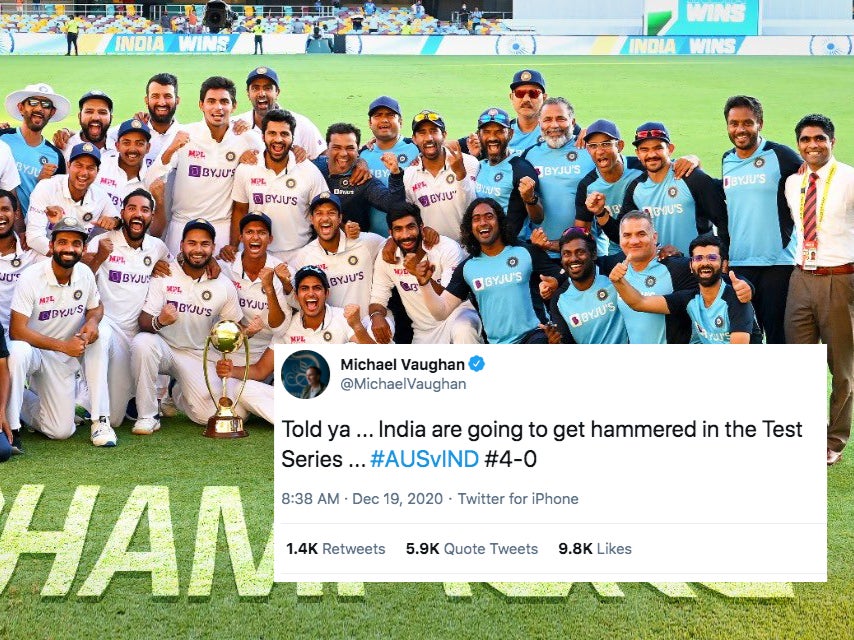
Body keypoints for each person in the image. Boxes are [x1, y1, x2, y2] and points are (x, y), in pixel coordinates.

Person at [131, 219, 250, 435]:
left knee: (207, 416)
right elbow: (144, 322)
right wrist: (161, 321)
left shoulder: (223, 284)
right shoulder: (165, 273)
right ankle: (147, 416)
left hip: (196, 354)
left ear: (213, 247)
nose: (198, 249)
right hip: (163, 347)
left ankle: (176, 391)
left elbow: (234, 327)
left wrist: (248, 331)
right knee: (142, 343)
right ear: (182, 245)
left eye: (205, 244)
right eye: (191, 243)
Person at [783, 113, 854, 467]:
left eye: (820, 139)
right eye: (806, 139)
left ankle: (834, 439)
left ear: (832, 141)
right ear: (798, 144)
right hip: (801, 278)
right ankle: (806, 432)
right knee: (800, 363)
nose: (813, 145)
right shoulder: (792, 183)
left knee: (841, 368)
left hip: (841, 279)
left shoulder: (850, 179)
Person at [7, 216, 114, 448]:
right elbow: (16, 330)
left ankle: (100, 422)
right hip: (35, 352)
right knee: (17, 351)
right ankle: (12, 427)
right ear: (52, 245)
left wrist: (93, 322)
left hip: (63, 359)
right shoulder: (31, 277)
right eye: (63, 242)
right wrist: (63, 346)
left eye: (76, 243)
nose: (69, 248)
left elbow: (96, 307)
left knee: (61, 430)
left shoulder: (84, 273)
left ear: (83, 248)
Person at [407, 197, 561, 344]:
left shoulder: (526, 252)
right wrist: (424, 284)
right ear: (470, 228)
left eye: (489, 216)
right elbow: (441, 312)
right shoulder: (467, 268)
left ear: (500, 222)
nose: (483, 222)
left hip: (534, 335)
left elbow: (564, 278)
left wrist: (554, 284)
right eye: (476, 219)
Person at [146, 76, 264, 255]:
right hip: (182, 226)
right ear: (201, 105)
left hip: (223, 230)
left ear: (234, 106)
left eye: (224, 101)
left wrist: (251, 161)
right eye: (211, 101)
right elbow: (151, 180)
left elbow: (270, 168)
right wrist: (170, 150)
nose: (218, 107)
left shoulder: (246, 137)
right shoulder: (184, 135)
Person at [83, 188, 170, 427]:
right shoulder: (103, 241)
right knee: (101, 335)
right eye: (132, 208)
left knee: (117, 419)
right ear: (122, 213)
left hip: (133, 336)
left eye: (144, 210)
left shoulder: (157, 247)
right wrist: (99, 257)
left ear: (151, 216)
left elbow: (176, 270)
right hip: (106, 324)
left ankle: (95, 407)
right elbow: (81, 282)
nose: (138, 215)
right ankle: (94, 417)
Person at [721, 95, 803, 344]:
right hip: (739, 264)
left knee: (779, 336)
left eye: (747, 123)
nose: (740, 129)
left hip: (777, 263)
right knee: (746, 337)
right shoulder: (727, 159)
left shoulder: (781, 155)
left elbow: (811, 181)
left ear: (760, 123)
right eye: (734, 123)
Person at [610, 233, 761, 344]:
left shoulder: (737, 298)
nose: (705, 263)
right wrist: (619, 282)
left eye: (712, 258)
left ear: (723, 265)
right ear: (690, 265)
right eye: (698, 258)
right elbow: (639, 302)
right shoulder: (689, 299)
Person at [371, 206, 482, 344]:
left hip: (457, 317)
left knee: (463, 330)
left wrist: (420, 274)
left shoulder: (447, 247)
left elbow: (449, 299)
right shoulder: (387, 257)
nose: (405, 235)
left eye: (411, 227)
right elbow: (377, 299)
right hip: (423, 332)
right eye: (398, 229)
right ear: (391, 234)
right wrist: (376, 316)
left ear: (421, 227)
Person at [228, 109, 327, 263]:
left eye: (284, 134)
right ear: (263, 136)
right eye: (272, 133)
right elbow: (240, 209)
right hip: (257, 253)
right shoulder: (247, 168)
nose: (278, 139)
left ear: (293, 138)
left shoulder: (309, 171)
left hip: (299, 254)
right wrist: (234, 246)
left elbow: (323, 212)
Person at [615, 122, 725, 256]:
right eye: (644, 149)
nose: (651, 154)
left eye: (658, 148)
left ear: (670, 149)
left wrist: (723, 256)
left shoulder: (692, 177)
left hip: (697, 269)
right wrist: (601, 213)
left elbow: (724, 221)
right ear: (637, 153)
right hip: (659, 270)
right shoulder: (636, 188)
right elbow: (620, 232)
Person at [292, 194, 386, 333]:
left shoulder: (365, 243)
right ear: (311, 219)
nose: (325, 218)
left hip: (366, 327)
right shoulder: (304, 256)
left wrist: (390, 245)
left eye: (331, 213)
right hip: (331, 333)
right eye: (319, 213)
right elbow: (296, 299)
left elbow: (394, 243)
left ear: (340, 218)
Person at [521, 97, 594, 257]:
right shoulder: (530, 155)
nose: (554, 125)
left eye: (561, 119)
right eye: (547, 120)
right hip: (542, 251)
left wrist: (595, 133)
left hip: (585, 252)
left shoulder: (590, 151)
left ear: (573, 122)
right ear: (539, 123)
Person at [218, 212, 290, 366]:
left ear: (270, 239)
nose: (255, 237)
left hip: (264, 350)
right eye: (249, 232)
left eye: (262, 232)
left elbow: (280, 330)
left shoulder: (282, 271)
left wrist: (269, 289)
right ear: (241, 237)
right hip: (225, 343)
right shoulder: (226, 265)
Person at [26, 143, 120, 256]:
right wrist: (68, 256)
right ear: (68, 165)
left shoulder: (100, 195)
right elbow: (34, 237)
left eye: (90, 168)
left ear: (97, 171)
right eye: (79, 165)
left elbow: (117, 220)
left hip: (78, 259)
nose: (84, 173)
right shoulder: (46, 187)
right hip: (44, 257)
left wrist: (114, 221)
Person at [315, 122, 409, 231]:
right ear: (327, 149)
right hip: (315, 245)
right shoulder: (314, 168)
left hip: (354, 245)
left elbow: (394, 206)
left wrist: (396, 174)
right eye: (336, 147)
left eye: (350, 148)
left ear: (357, 150)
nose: (343, 153)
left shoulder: (363, 179)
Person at [404, 109, 478, 242]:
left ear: (444, 135)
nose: (429, 138)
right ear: (414, 139)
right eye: (422, 133)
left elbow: (473, 207)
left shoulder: (469, 162)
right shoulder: (409, 174)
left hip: (468, 248)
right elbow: (410, 218)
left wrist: (461, 173)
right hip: (432, 251)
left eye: (434, 131)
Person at [545, 226, 628, 344]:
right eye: (566, 254)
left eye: (580, 252)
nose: (573, 258)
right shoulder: (558, 300)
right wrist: (557, 343)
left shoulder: (612, 271)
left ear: (593, 254)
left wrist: (662, 249)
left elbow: (638, 252)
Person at [0, 83, 69, 217]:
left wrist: (42, 184)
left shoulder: (55, 156)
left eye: (46, 105)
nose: (39, 108)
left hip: (31, 229)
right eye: (33, 102)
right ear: (21, 107)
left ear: (52, 112)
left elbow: (56, 199)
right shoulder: (2, 137)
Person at [473, 108, 543, 240]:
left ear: (510, 134)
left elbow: (538, 218)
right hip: (484, 246)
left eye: (499, 131)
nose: (492, 137)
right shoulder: (478, 165)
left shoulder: (521, 168)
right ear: (479, 135)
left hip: (512, 248)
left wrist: (530, 199)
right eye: (486, 132)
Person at [235, 67, 326, 160]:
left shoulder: (301, 124)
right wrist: (238, 157)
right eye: (255, 88)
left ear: (277, 92)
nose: (261, 93)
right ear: (248, 93)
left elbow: (324, 157)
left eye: (267, 88)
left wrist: (303, 160)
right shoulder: (236, 126)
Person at [360, 96, 420, 235]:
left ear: (400, 121)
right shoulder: (362, 155)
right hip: (373, 240)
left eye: (390, 115)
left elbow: (441, 146)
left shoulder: (416, 148)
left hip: (411, 238)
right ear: (370, 123)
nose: (384, 120)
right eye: (377, 115)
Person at [284, 265, 376, 344]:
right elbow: (269, 363)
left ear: (327, 293)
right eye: (304, 288)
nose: (311, 293)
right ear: (296, 295)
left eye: (317, 288)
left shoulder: (343, 318)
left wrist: (357, 326)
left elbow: (376, 357)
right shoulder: (288, 327)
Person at [0, 190, 44, 343]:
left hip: (21, 339)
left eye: (5, 209)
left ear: (17, 213)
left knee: (21, 352)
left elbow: (66, 266)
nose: (0, 215)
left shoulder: (31, 252)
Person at [95, 118, 151, 211]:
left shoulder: (151, 179)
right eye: (126, 143)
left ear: (148, 148)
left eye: (139, 143)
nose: (132, 149)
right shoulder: (100, 164)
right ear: (117, 146)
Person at [58, 90, 117, 163]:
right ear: (79, 116)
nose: (96, 117)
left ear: (111, 118)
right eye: (89, 111)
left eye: (102, 112)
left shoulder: (121, 147)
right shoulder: (63, 147)